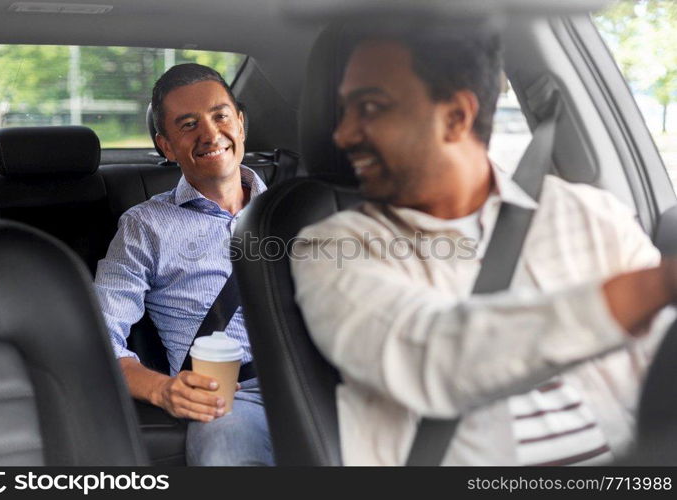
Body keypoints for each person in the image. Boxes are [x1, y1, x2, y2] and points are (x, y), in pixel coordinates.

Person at [290, 28, 677, 466]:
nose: (341, 135)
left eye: (371, 108)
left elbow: (662, 359)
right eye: (344, 111)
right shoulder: (332, 248)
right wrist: (651, 288)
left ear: (456, 116)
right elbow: (437, 355)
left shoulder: (589, 215)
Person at [94, 63, 273, 466]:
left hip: (323, 382)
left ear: (240, 124)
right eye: (188, 124)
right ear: (167, 146)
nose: (210, 134)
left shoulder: (295, 208)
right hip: (230, 400)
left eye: (220, 116)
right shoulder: (145, 226)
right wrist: (163, 390)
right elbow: (97, 339)